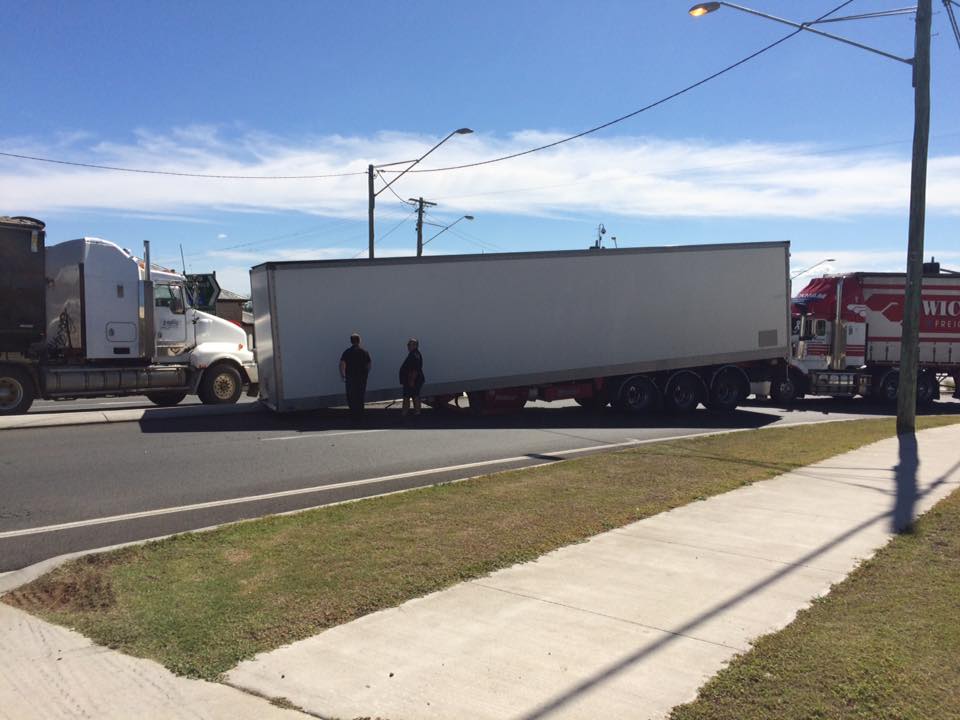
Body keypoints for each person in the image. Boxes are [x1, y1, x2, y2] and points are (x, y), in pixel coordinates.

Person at [339, 333, 371, 421]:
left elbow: (342, 364)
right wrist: (366, 373)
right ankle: (360, 414)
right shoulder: (364, 351)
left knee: (351, 396)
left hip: (350, 377)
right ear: (359, 341)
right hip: (361, 378)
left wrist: (343, 375)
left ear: (351, 341)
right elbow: (369, 364)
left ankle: (353, 414)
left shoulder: (347, 352)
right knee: (360, 396)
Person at [398, 338, 425, 417]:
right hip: (410, 379)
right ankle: (410, 411)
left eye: (409, 344)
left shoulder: (415, 355)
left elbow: (416, 369)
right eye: (408, 344)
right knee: (412, 395)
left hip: (413, 379)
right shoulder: (413, 354)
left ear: (415, 345)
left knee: (412, 396)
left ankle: (412, 412)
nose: (408, 346)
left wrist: (412, 380)